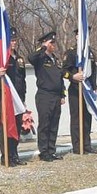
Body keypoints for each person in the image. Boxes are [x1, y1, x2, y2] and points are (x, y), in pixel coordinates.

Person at [0, 26, 28, 164]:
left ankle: (15, 155)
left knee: (16, 127)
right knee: (6, 127)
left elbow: (23, 81)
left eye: (15, 40)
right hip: (5, 98)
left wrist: (23, 99)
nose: (14, 42)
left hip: (17, 99)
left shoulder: (20, 59)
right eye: (11, 40)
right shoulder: (0, 58)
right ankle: (6, 157)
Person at [29, 30, 66, 158]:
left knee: (54, 124)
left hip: (56, 96)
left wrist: (62, 94)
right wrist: (43, 47)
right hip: (44, 95)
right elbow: (31, 58)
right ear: (45, 43)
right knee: (44, 124)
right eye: (51, 43)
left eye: (53, 43)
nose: (53, 45)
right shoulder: (40, 58)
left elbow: (59, 77)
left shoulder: (55, 59)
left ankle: (51, 150)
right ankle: (44, 152)